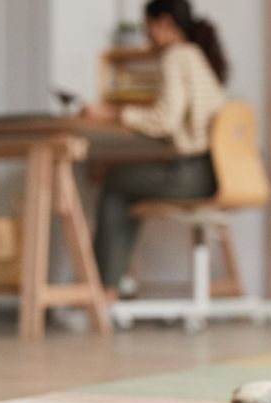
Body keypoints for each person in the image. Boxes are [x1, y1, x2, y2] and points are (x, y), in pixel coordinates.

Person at [81, 0, 227, 299]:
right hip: (216, 170)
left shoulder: (175, 57)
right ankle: (111, 282)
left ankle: (101, 289)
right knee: (124, 182)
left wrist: (113, 113)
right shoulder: (197, 56)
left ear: (165, 24)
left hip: (192, 172)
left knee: (114, 182)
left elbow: (165, 119)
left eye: (149, 29)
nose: (147, 37)